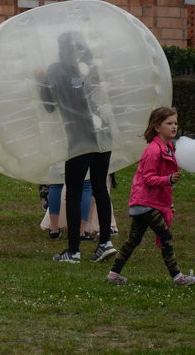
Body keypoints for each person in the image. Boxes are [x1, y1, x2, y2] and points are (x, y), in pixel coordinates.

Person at [36, 31, 116, 263]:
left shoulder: (56, 70)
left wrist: (41, 82)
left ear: (61, 48)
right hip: (102, 134)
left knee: (73, 192)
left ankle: (73, 250)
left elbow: (50, 106)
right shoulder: (90, 68)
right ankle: (104, 243)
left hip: (79, 137)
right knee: (100, 187)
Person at [106, 107, 195, 286]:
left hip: (151, 203)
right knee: (165, 236)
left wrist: (168, 203)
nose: (174, 127)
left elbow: (163, 183)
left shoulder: (169, 147)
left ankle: (113, 274)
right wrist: (169, 179)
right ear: (157, 127)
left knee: (133, 240)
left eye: (175, 123)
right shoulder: (153, 150)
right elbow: (148, 179)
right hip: (145, 203)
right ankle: (178, 277)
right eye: (169, 123)